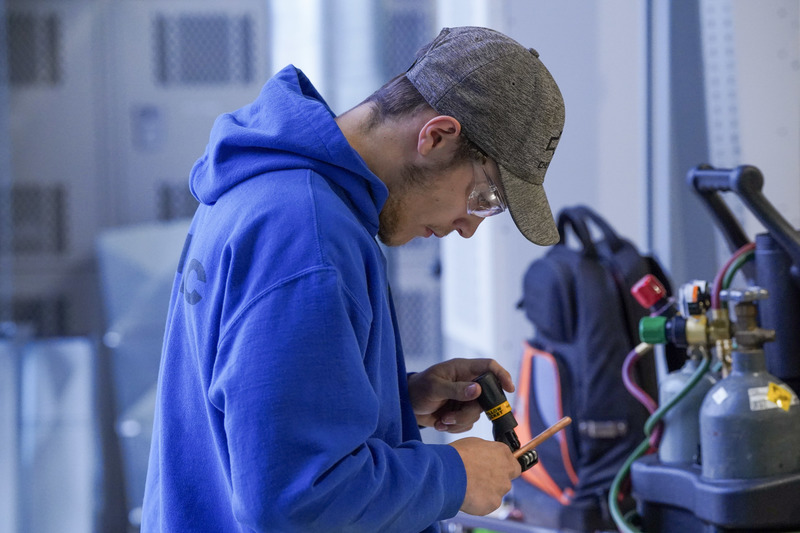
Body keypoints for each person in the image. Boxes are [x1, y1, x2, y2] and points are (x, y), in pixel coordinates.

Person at [141, 26, 565, 532]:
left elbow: (251, 422)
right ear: (436, 136)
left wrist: (394, 398)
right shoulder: (308, 234)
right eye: (484, 198)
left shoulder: (265, 192)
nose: (469, 227)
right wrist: (455, 476)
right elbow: (295, 501)